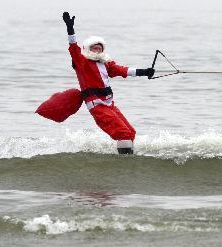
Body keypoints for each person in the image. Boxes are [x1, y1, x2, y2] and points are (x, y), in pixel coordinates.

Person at [62, 11, 154, 154]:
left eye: (100, 48)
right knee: (123, 133)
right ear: (88, 49)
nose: (97, 50)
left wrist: (145, 71)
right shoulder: (82, 62)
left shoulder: (106, 64)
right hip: (97, 106)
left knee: (130, 132)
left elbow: (123, 70)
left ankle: (128, 159)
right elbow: (73, 48)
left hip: (110, 105)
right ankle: (125, 164)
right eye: (94, 48)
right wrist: (70, 29)